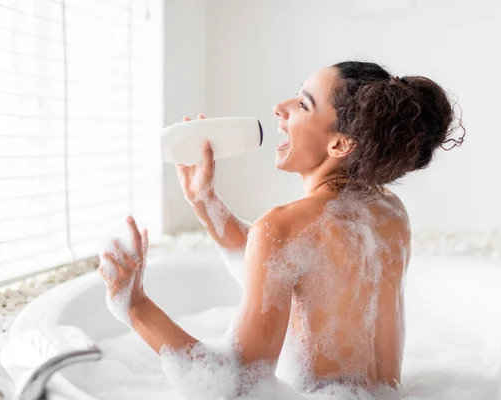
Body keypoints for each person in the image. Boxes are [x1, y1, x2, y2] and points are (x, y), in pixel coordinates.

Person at [99, 60, 464, 396]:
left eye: (303, 105)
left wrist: (135, 306)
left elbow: (234, 383)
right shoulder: (390, 214)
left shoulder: (282, 227)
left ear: (339, 143)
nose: (280, 107)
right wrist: (203, 200)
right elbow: (298, 265)